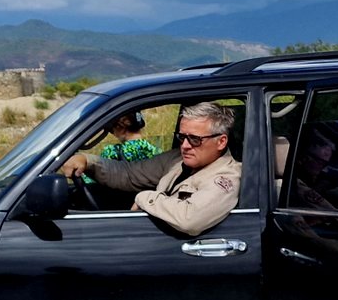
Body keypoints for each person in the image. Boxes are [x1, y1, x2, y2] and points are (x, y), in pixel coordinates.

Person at [59, 101, 242, 236]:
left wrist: (145, 197)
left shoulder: (227, 177)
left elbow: (189, 218)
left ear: (221, 142)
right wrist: (88, 161)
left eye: (195, 139)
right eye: (181, 137)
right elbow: (129, 174)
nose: (185, 145)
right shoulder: (177, 159)